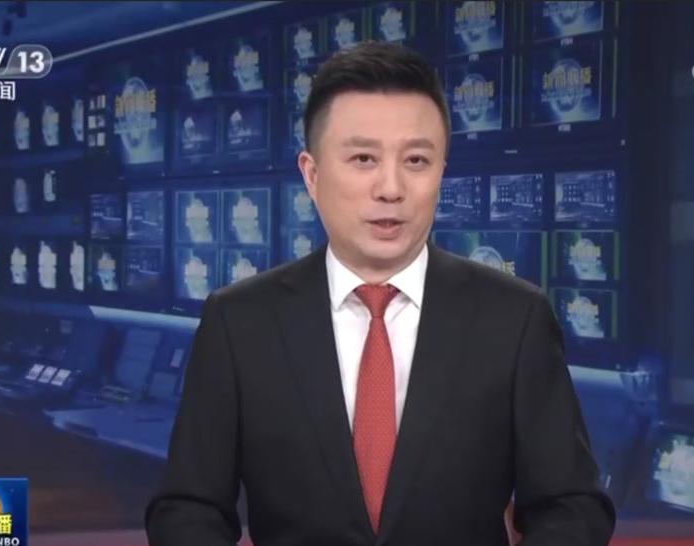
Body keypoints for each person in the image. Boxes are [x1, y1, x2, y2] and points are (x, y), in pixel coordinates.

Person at [145, 41, 615, 546]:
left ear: (441, 173)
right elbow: (187, 509)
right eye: (364, 158)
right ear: (312, 174)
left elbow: (572, 507)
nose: (391, 188)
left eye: (416, 160)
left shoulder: (514, 318)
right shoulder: (239, 322)